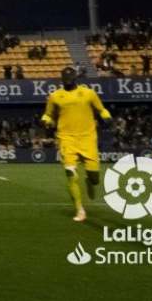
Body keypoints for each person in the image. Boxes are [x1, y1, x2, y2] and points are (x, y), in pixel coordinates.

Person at [41, 66, 112, 222]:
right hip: (66, 139)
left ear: (75, 79)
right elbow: (48, 114)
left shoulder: (88, 93)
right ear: (62, 80)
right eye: (65, 79)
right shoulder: (55, 96)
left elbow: (101, 109)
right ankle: (80, 210)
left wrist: (107, 117)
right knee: (71, 175)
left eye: (70, 79)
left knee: (95, 178)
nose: (68, 82)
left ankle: (90, 181)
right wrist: (46, 121)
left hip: (87, 139)